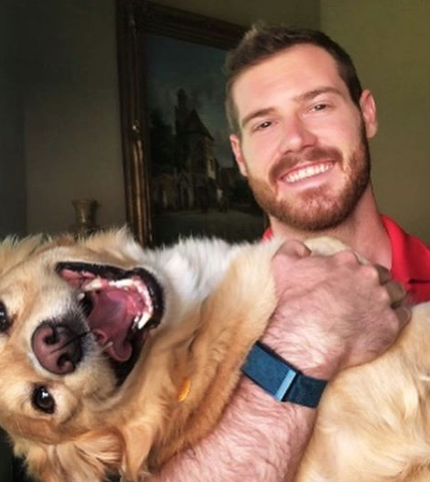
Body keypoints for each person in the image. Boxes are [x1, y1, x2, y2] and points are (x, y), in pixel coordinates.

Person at [149, 24, 430, 481]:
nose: (296, 140)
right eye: (265, 123)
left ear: (367, 114)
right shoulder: (188, 334)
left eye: (318, 106)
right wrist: (297, 347)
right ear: (239, 157)